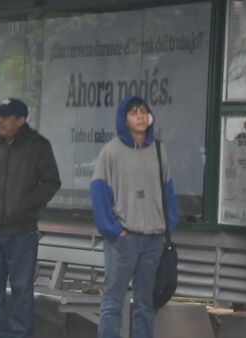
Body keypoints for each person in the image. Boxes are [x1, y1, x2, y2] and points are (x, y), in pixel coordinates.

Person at [0, 98, 61, 338]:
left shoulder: (39, 146)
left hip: (23, 233)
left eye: (5, 116)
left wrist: (27, 203)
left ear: (21, 119)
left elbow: (52, 182)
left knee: (21, 291)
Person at [90, 96, 178, 338]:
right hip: (123, 241)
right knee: (112, 302)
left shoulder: (159, 150)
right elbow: (98, 193)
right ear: (123, 119)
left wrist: (168, 223)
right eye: (133, 112)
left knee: (146, 303)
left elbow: (168, 190)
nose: (140, 116)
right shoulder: (111, 152)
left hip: (154, 239)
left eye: (143, 111)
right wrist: (113, 229)